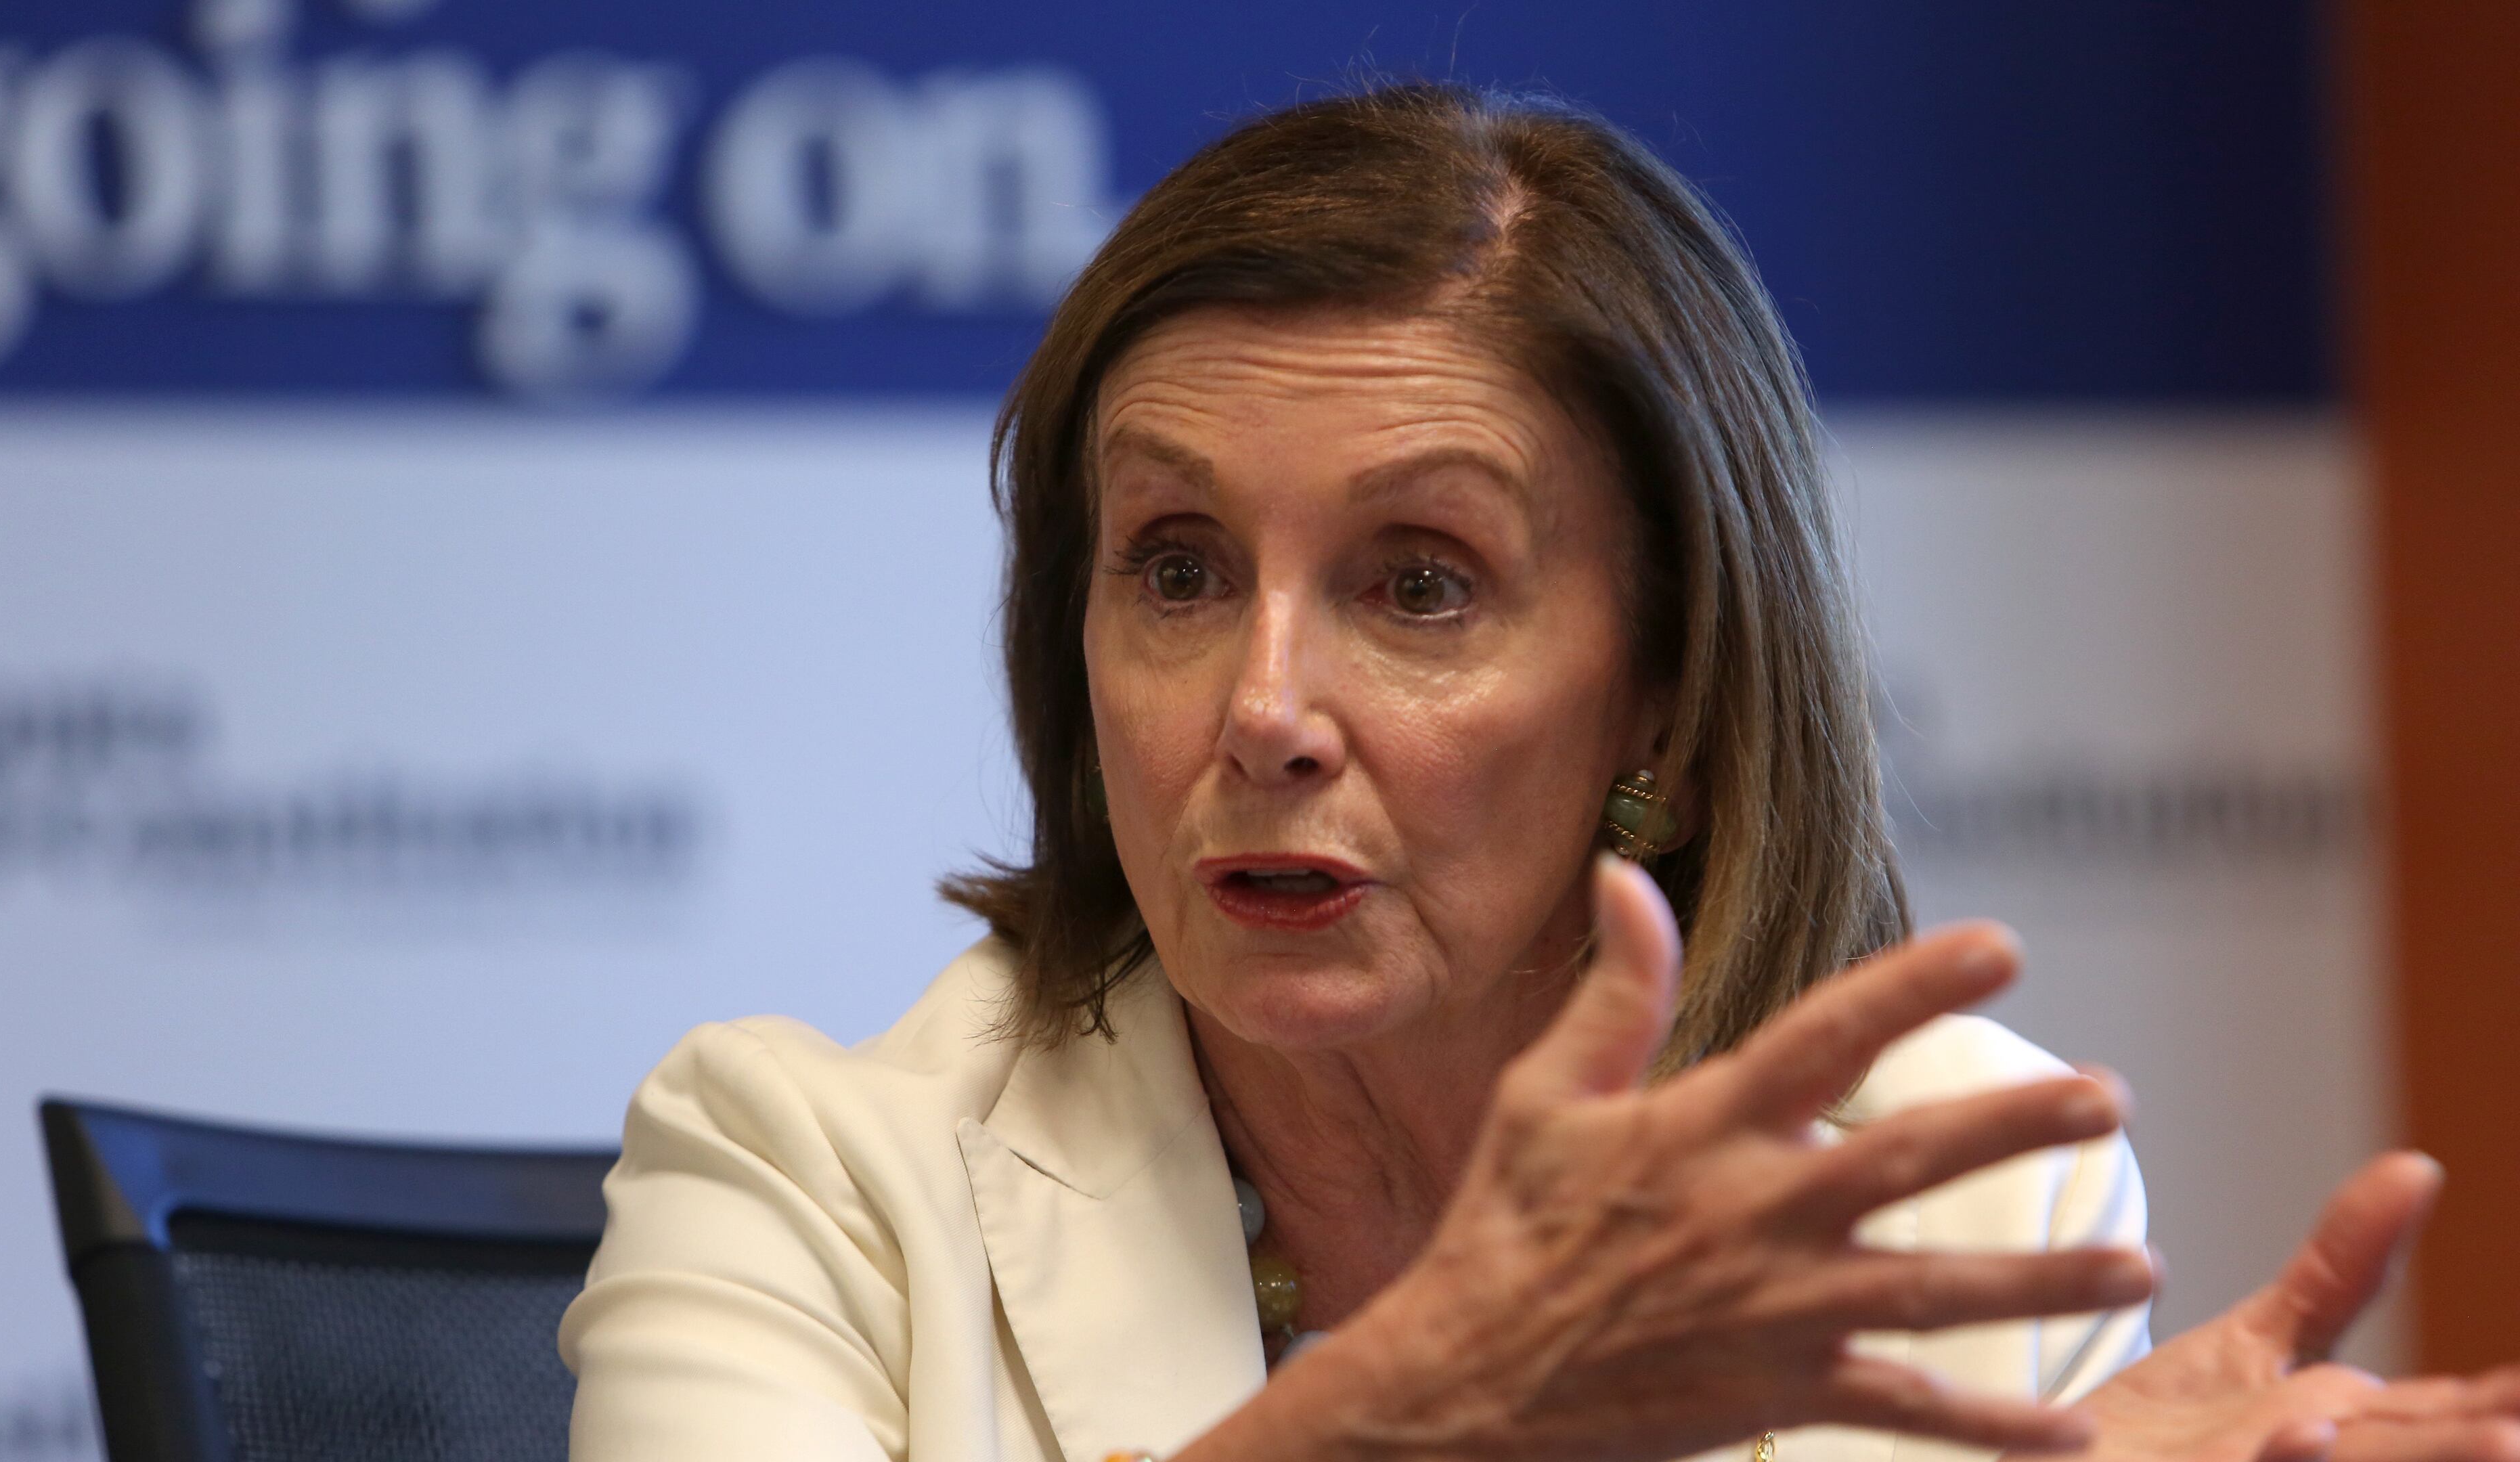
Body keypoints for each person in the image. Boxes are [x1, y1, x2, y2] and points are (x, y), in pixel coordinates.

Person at [560, 85, 2520, 1462]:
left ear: (1663, 693)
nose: (1263, 707)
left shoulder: (1957, 1190)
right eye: (1176, 567)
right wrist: (1405, 1425)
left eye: (1418, 582)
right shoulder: (799, 1179)